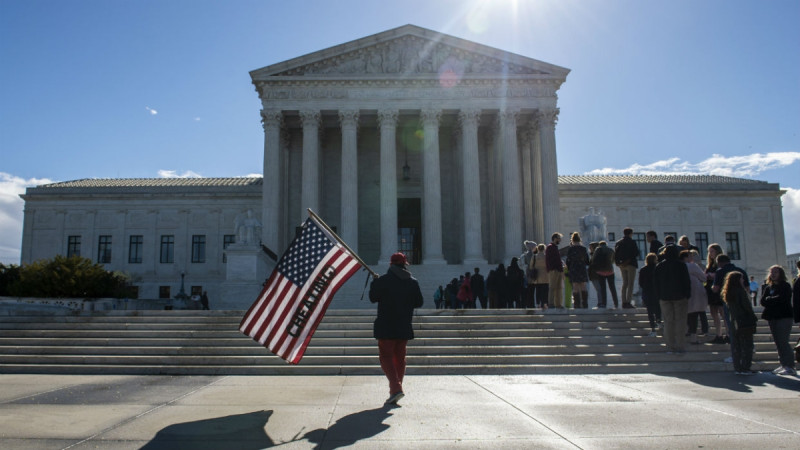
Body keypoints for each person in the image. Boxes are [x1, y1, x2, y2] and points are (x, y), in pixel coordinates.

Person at [369, 252, 423, 405]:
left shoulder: (383, 281)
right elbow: (419, 302)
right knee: (400, 359)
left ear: (391, 265)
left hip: (386, 326)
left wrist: (375, 282)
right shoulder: (413, 282)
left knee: (386, 357)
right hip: (403, 325)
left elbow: (373, 298)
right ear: (405, 264)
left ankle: (396, 388)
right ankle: (396, 389)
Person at [653, 244, 691, 354]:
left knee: (668, 322)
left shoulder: (660, 266)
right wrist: (687, 294)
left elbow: (656, 283)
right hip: (680, 296)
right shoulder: (681, 265)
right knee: (680, 321)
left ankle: (670, 346)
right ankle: (680, 346)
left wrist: (659, 295)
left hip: (664, 297)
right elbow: (686, 281)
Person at [760, 265, 796, 376]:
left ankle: (790, 366)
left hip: (784, 317)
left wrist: (770, 299)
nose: (773, 274)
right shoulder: (768, 287)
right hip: (772, 317)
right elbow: (763, 301)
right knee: (778, 342)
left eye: (776, 272)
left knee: (783, 341)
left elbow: (782, 299)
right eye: (771, 272)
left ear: (781, 274)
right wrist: (772, 299)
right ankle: (783, 364)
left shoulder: (785, 285)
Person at [722, 271, 758, 375]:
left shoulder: (727, 292)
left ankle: (738, 368)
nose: (743, 280)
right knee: (747, 345)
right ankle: (746, 367)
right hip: (744, 320)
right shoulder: (740, 291)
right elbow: (747, 307)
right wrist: (753, 318)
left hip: (734, 321)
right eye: (741, 279)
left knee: (736, 345)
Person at [682, 250, 708, 344]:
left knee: (687, 315)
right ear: (687, 257)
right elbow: (703, 277)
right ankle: (693, 336)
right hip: (695, 293)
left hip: (682, 294)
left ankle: (686, 331)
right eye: (690, 256)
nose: (692, 258)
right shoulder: (692, 266)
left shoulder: (679, 267)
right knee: (694, 315)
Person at [705, 244, 727, 344]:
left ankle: (728, 334)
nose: (710, 253)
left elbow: (722, 275)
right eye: (709, 251)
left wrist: (710, 275)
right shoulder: (710, 264)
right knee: (714, 313)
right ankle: (719, 334)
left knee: (723, 313)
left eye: (712, 251)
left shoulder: (720, 263)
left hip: (719, 290)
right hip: (711, 290)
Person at [614, 227, 639, 309]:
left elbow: (616, 254)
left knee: (625, 283)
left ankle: (624, 302)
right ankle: (628, 302)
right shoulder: (632, 242)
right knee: (630, 283)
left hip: (622, 265)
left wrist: (618, 263)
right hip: (630, 264)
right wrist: (628, 260)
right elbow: (636, 253)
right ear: (630, 233)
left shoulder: (618, 242)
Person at [591, 240, 618, 309]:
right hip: (610, 271)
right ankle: (616, 303)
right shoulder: (610, 250)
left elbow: (593, 259)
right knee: (612, 288)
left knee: (603, 288)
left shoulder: (598, 250)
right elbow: (613, 260)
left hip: (600, 271)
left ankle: (604, 303)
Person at [565, 232, 590, 309]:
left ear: (572, 240)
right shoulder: (583, 248)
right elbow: (587, 261)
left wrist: (569, 268)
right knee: (583, 286)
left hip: (573, 268)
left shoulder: (570, 249)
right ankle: (585, 303)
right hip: (582, 268)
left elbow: (568, 261)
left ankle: (577, 304)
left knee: (575, 287)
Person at [638, 253, 660, 336]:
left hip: (647, 292)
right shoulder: (657, 268)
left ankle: (653, 328)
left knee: (650, 311)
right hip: (657, 292)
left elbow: (640, 283)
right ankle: (659, 320)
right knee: (658, 308)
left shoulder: (643, 269)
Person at [545, 233, 565, 309]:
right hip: (554, 270)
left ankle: (558, 304)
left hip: (558, 270)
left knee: (559, 288)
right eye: (559, 238)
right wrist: (551, 269)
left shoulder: (555, 247)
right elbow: (549, 260)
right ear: (555, 238)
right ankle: (551, 303)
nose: (560, 240)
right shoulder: (550, 247)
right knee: (552, 287)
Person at [531, 244, 549, 310]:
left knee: (538, 290)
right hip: (545, 276)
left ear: (538, 249)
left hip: (537, 276)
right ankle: (545, 304)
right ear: (544, 249)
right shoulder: (546, 256)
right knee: (545, 291)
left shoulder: (534, 256)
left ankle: (538, 303)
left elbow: (531, 266)